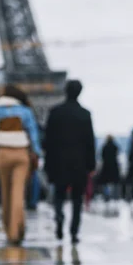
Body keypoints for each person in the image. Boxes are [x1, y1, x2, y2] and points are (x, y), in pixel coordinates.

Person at [44, 79, 96, 244]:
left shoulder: (54, 112)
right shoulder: (85, 114)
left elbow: (48, 141)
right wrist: (91, 165)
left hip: (58, 161)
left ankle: (59, 217)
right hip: (78, 162)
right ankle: (74, 232)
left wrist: (48, 163)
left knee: (59, 194)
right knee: (77, 199)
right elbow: (90, 142)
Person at [0, 85, 41, 244]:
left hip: (3, 153)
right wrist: (36, 153)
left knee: (5, 193)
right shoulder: (25, 111)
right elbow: (33, 134)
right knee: (18, 193)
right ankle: (16, 231)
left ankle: (8, 230)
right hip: (21, 153)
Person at [98, 135, 120, 203]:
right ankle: (115, 196)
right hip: (114, 166)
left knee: (105, 183)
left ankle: (106, 196)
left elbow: (102, 156)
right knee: (115, 182)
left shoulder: (104, 146)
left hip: (106, 166)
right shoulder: (115, 146)